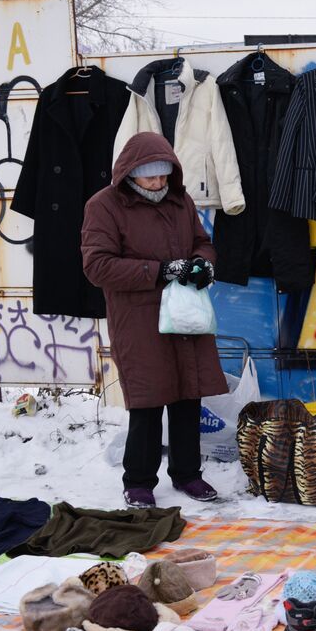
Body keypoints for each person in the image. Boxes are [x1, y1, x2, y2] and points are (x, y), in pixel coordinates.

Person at [82, 132, 229, 508]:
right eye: (150, 177)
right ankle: (139, 481)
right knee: (147, 402)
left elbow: (203, 242)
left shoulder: (180, 200)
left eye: (164, 175)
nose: (159, 183)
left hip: (185, 317)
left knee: (187, 396)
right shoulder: (104, 206)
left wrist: (202, 264)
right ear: (130, 173)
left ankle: (188, 474)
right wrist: (160, 270)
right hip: (139, 320)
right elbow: (97, 266)